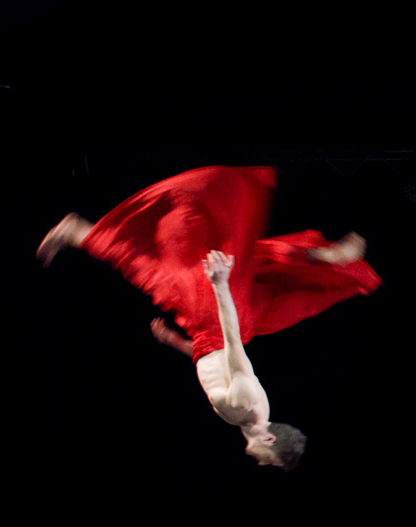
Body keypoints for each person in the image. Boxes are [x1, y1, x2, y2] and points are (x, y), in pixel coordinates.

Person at [36, 165, 381, 471]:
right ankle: (77, 232)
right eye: (270, 460)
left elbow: (221, 358)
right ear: (270, 440)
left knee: (237, 271)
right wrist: (219, 286)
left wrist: (175, 343)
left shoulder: (254, 412)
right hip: (216, 317)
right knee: (163, 266)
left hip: (224, 327)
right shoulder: (245, 408)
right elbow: (230, 343)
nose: (263, 464)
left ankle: (316, 258)